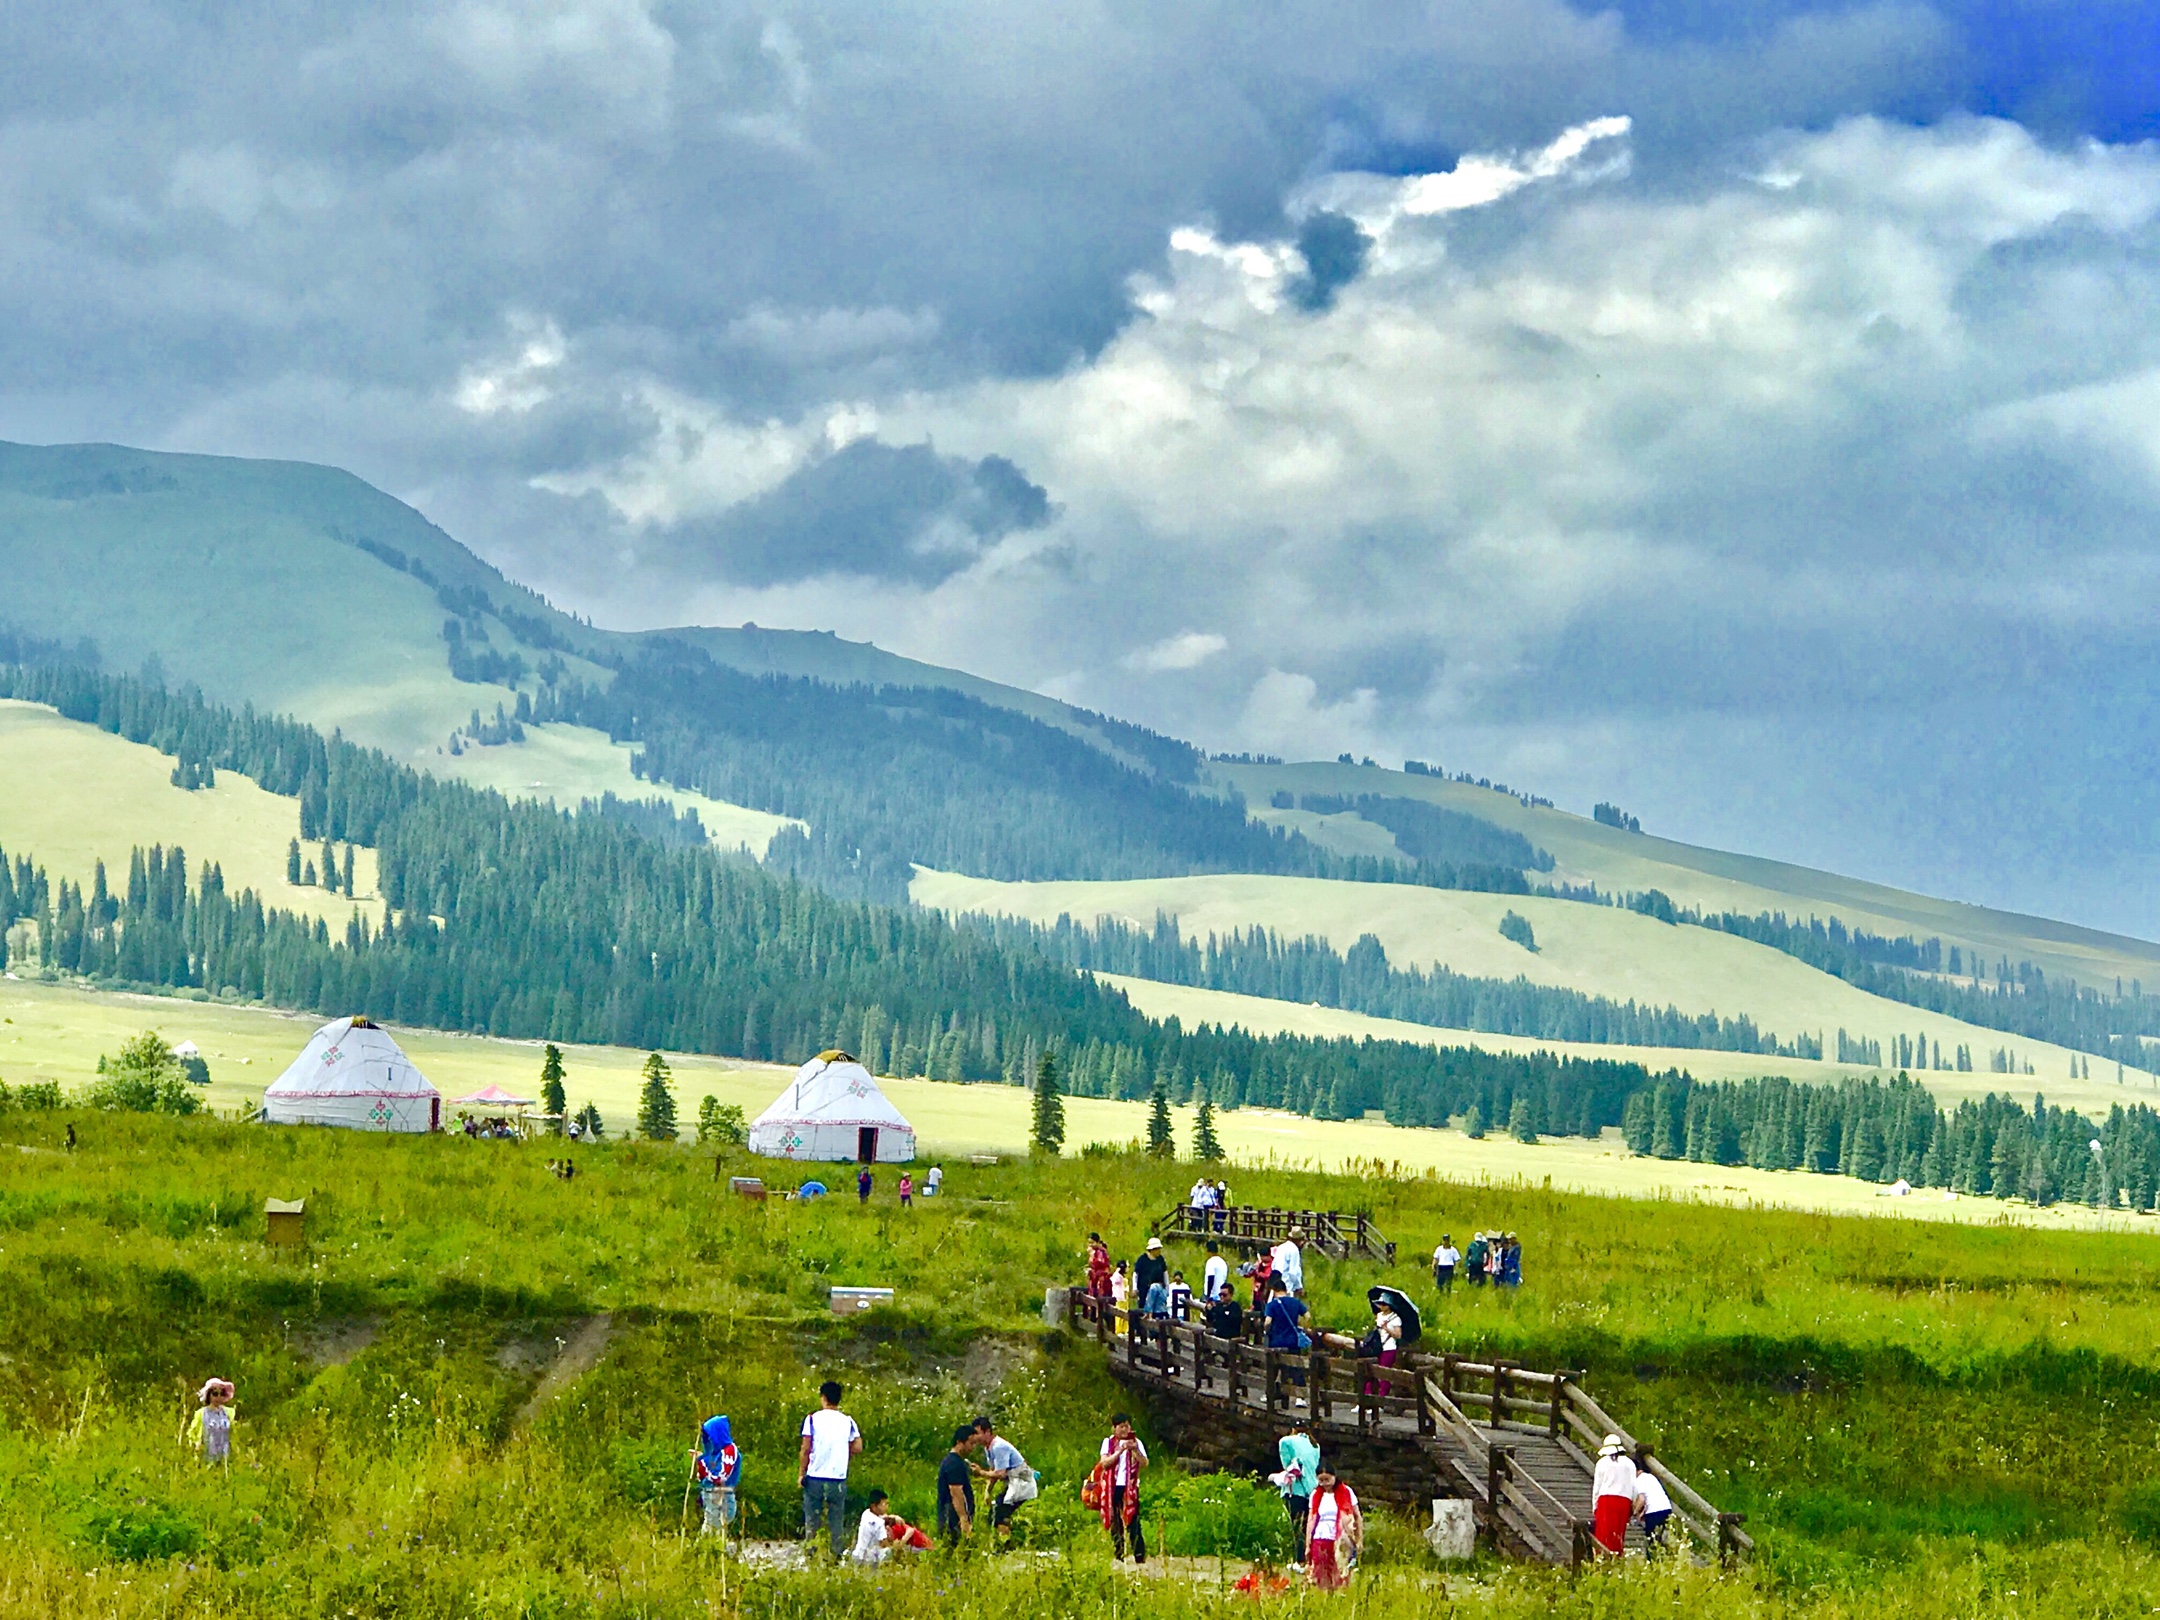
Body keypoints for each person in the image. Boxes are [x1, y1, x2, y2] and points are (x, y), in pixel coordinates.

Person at [799, 1380, 863, 1557]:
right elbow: (858, 1446)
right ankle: (835, 1556)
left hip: (815, 1477)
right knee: (836, 1521)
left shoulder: (812, 1419)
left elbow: (806, 1448)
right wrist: (843, 1448)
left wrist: (801, 1473)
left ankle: (811, 1556)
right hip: (838, 1478)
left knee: (812, 1521)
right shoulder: (847, 1421)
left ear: (823, 1398)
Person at [971, 1415, 1037, 1544]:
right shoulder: (989, 1448)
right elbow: (993, 1470)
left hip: (1021, 1484)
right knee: (996, 1512)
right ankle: (1006, 1540)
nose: (975, 1437)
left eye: (977, 1433)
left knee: (1000, 1513)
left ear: (987, 1432)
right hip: (1013, 1483)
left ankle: (1006, 1543)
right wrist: (987, 1491)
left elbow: (1000, 1474)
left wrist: (981, 1472)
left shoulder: (998, 1447)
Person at [1094, 1414, 1149, 1563]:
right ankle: (1119, 1554)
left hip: (1130, 1486)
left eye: (1127, 1426)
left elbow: (1144, 1463)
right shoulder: (1108, 1442)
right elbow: (1104, 1463)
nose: (1125, 1429)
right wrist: (1119, 1451)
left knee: (1133, 1520)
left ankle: (1139, 1554)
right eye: (1121, 1426)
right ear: (1114, 1428)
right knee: (1115, 1520)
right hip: (1113, 1486)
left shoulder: (1136, 1442)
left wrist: (1135, 1450)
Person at [1303, 1468, 1361, 1589]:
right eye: (1321, 1480)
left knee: (1339, 1571)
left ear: (1334, 1477)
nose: (1325, 1483)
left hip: (1340, 1538)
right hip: (1320, 1536)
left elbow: (1357, 1516)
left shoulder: (1347, 1492)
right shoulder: (1316, 1495)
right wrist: (1308, 1543)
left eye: (1327, 1479)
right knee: (1321, 1573)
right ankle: (1324, 1598)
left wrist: (1358, 1538)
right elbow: (1311, 1518)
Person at [1275, 1417, 1321, 1552]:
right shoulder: (1315, 1445)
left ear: (1292, 1429)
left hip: (1295, 1489)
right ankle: (1308, 1554)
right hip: (1313, 1489)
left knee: (1295, 1525)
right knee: (1308, 1525)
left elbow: (1287, 1465)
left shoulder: (1286, 1441)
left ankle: (1298, 1556)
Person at [692, 1414, 740, 1536]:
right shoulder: (713, 1453)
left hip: (723, 1491)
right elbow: (706, 1473)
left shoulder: (729, 1451)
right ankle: (705, 1551)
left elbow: (721, 1475)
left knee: (716, 1524)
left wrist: (701, 1461)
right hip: (711, 1492)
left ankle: (707, 1550)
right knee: (713, 1525)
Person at [851, 1489, 930, 1564]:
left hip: (858, 1553)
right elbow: (885, 1544)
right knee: (893, 1552)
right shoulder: (879, 1524)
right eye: (884, 1504)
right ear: (874, 1506)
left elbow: (884, 1517)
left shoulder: (866, 1514)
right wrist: (899, 1544)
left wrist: (894, 1517)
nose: (886, 1507)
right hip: (868, 1558)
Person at [1592, 1434, 1637, 1555]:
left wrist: (1594, 1506)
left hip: (1606, 1499)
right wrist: (1632, 1504)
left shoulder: (1602, 1463)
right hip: (1624, 1501)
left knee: (1603, 1531)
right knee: (1619, 1531)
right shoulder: (1630, 1464)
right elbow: (1634, 1486)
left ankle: (1602, 1556)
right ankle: (1617, 1556)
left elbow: (1597, 1487)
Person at [936, 1424, 979, 1544]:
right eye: (971, 1443)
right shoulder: (954, 1464)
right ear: (960, 1442)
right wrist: (963, 1518)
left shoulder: (958, 1462)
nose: (973, 1447)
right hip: (952, 1517)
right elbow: (956, 1493)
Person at [186, 1378, 235, 1464]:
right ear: (209, 1395)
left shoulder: (229, 1413)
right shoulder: (201, 1413)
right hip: (206, 1456)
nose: (218, 1397)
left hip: (225, 1457)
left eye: (221, 1394)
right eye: (215, 1394)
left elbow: (234, 1433)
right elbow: (191, 1433)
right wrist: (196, 1445)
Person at [1634, 1451, 1674, 1554]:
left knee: (1650, 1540)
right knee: (1660, 1537)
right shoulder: (1650, 1477)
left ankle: (1652, 1561)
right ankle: (1664, 1558)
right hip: (1665, 1508)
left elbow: (1642, 1499)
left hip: (1654, 1512)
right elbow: (1651, 1497)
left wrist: (1635, 1512)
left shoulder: (1639, 1480)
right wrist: (1643, 1513)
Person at [1365, 1295, 1402, 1397]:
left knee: (1384, 1374)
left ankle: (1381, 1398)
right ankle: (1367, 1396)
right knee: (1371, 1372)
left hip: (1389, 1348)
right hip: (1377, 1347)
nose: (1381, 1306)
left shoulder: (1395, 1318)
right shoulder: (1379, 1315)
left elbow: (1398, 1335)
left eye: (1384, 1304)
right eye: (1380, 1304)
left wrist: (1387, 1329)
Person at [1263, 1275, 1308, 1352]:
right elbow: (1308, 1316)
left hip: (1277, 1343)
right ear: (1286, 1290)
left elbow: (1268, 1322)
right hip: (1293, 1342)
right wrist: (1304, 1327)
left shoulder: (1271, 1305)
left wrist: (1266, 1331)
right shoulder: (1295, 1302)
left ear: (1274, 1291)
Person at [1134, 1235, 1168, 1305]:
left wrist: (1167, 1288)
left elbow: (1165, 1273)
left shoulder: (1160, 1260)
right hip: (1144, 1290)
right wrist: (1135, 1288)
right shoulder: (1142, 1259)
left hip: (1159, 1290)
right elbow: (1136, 1274)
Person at [1270, 1229, 1304, 1297]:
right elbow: (1293, 1272)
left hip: (1277, 1282)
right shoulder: (1294, 1250)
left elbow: (1273, 1265)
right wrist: (1299, 1286)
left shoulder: (1281, 1247)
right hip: (1288, 1285)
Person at [1086, 1232, 1114, 1300]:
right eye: (1089, 1243)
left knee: (1100, 1299)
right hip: (1093, 1279)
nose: (1090, 1245)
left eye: (1092, 1243)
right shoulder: (1093, 1252)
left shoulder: (1102, 1253)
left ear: (1097, 1242)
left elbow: (1102, 1266)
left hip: (1101, 1280)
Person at [1202, 1240, 1229, 1305]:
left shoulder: (1211, 1262)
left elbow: (1211, 1278)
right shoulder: (1223, 1262)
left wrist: (1208, 1296)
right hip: (1221, 1295)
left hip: (1212, 1296)